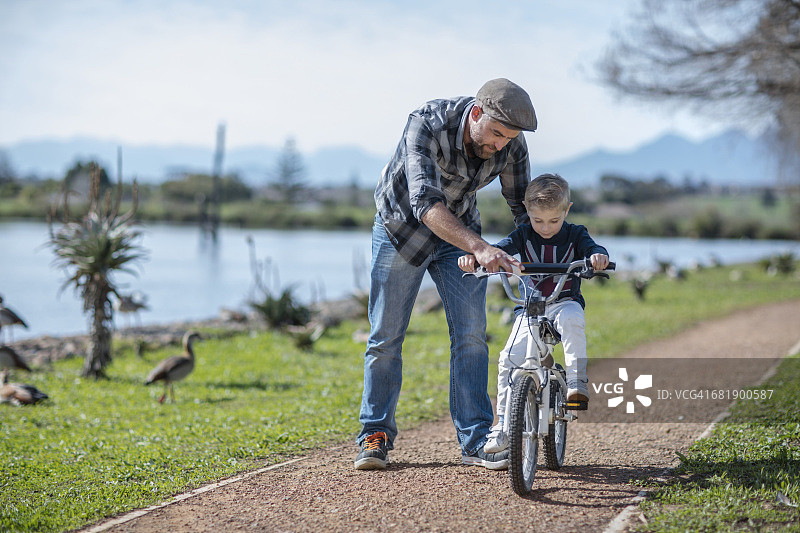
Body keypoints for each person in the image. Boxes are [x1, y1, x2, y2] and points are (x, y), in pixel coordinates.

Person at [355, 78, 537, 471]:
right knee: (385, 337)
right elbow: (424, 202)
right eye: (496, 134)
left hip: (459, 234)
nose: (500, 144)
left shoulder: (510, 144)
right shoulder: (426, 123)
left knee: (471, 335)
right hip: (401, 230)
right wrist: (480, 247)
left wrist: (539, 255)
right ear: (476, 114)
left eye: (508, 138)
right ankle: (375, 434)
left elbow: (522, 209)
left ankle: (476, 441)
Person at [457, 173, 609, 453]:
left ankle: (576, 382)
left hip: (565, 300)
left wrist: (598, 258)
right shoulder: (523, 234)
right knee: (508, 358)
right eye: (538, 220)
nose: (546, 228)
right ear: (527, 211)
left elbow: (593, 249)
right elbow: (498, 250)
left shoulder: (576, 234)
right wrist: (477, 257)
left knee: (573, 321)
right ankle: (502, 427)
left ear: (567, 210)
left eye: (554, 220)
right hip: (532, 305)